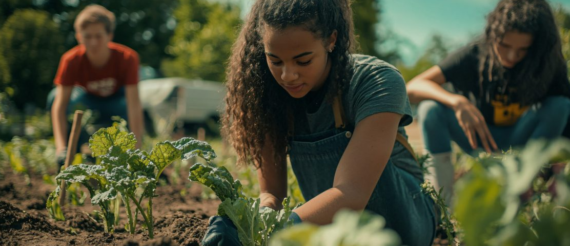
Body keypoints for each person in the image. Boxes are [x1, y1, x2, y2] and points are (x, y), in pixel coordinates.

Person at [202, 0, 436, 245]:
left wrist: (270, 232)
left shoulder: (376, 81)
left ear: (331, 40)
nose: (287, 75)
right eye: (275, 61)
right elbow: (271, 194)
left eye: (303, 61)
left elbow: (351, 193)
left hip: (406, 222)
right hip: (337, 230)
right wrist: (249, 223)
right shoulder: (270, 95)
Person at [406, 0, 570, 207]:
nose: (511, 56)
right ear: (493, 35)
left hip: (522, 146)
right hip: (479, 140)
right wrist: (457, 101)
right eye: (504, 46)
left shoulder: (546, 62)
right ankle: (441, 207)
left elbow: (565, 120)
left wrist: (558, 176)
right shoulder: (474, 53)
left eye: (522, 50)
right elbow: (412, 88)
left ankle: (524, 190)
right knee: (430, 109)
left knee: (560, 105)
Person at [47, 4, 144, 167]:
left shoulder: (128, 58)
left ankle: (124, 154)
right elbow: (60, 106)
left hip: (117, 103)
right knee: (53, 97)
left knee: (127, 106)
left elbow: (134, 105)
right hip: (87, 101)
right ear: (79, 36)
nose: (93, 42)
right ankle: (75, 149)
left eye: (98, 36)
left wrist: (137, 151)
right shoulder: (71, 60)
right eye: (87, 36)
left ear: (109, 35)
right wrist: (61, 149)